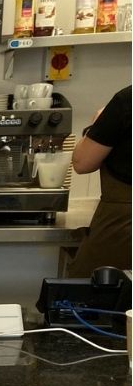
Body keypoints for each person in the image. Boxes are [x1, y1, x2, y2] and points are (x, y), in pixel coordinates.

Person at [70, 85, 129, 276]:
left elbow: (82, 163)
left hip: (122, 228)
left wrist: (97, 124)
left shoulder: (127, 100)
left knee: (91, 297)